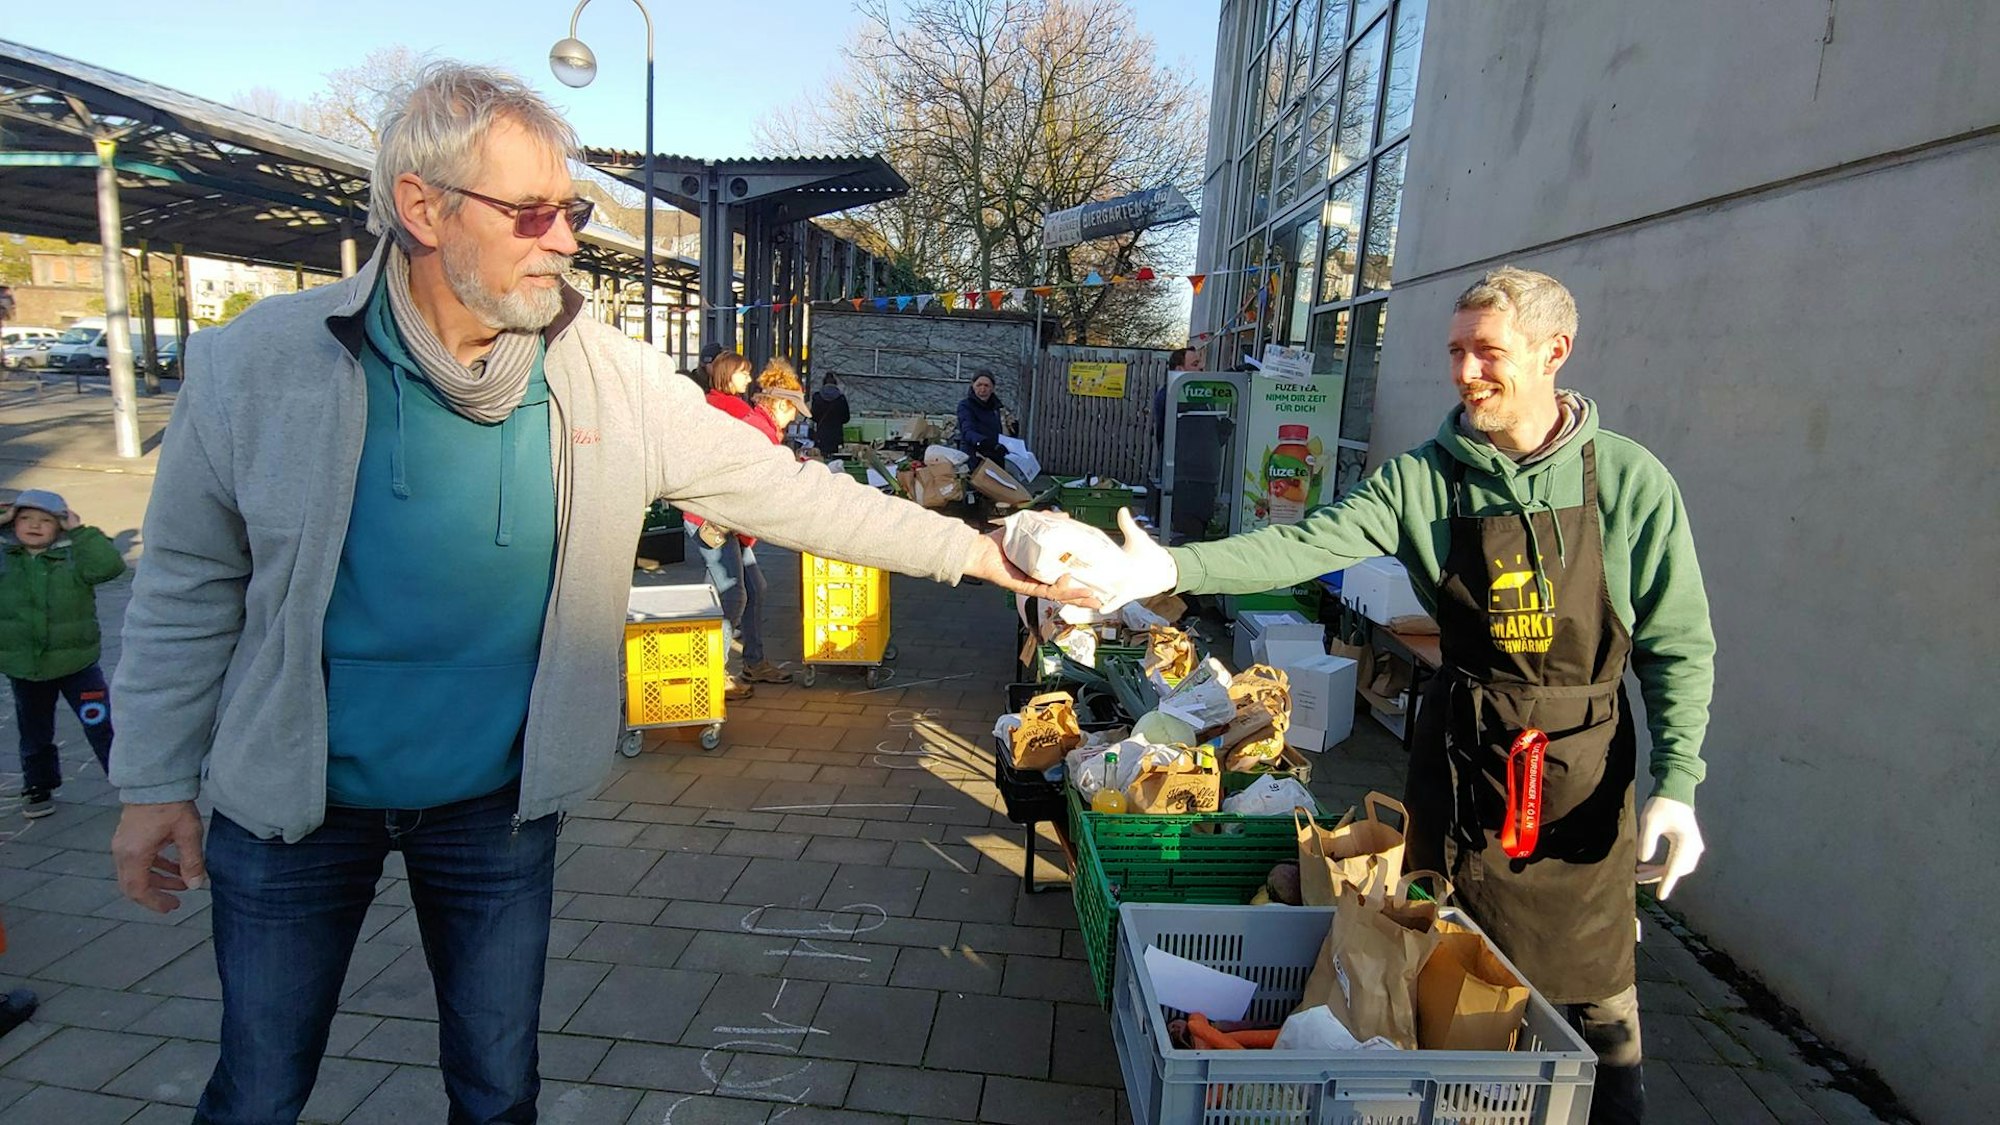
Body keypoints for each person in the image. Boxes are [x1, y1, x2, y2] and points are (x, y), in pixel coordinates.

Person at [106, 62, 1079, 1125]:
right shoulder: (259, 365)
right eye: (531, 212)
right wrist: (151, 781)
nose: (565, 237)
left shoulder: (604, 376)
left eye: (567, 209)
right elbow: (189, 587)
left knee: (497, 1093)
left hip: (494, 810)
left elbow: (791, 494)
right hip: (288, 809)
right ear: (421, 207)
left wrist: (984, 555)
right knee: (256, 1091)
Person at [1110, 267, 1713, 1124]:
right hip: (1461, 763)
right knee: (1441, 974)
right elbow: (1308, 544)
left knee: (1597, 1008)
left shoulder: (1628, 482)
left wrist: (1678, 783)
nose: (1465, 372)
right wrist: (1175, 566)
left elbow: (1678, 645)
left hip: (1580, 779)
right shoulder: (1428, 477)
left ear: (1555, 353)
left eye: (1488, 353)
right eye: (1456, 351)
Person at [1, 489, 126, 819]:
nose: (34, 526)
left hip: (78, 665)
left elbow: (110, 567)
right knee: (35, 732)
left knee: (99, 722)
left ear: (61, 526)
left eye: (45, 520)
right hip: (28, 669)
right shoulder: (5, 558)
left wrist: (81, 532)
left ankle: (128, 783)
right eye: (25, 519)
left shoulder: (74, 557)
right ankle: (38, 786)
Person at [685, 354, 797, 696]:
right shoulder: (741, 418)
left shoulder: (744, 415)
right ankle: (710, 675)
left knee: (749, 589)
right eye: (743, 374)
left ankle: (753, 661)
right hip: (712, 518)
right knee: (732, 596)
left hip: (724, 520)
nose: (795, 420)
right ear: (779, 405)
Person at [1152, 346, 1202, 454]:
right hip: (1177, 462)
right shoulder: (1166, 396)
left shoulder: (1203, 396)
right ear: (1179, 369)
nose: (1201, 368)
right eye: (1195, 364)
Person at [955, 369, 1009, 464]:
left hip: (995, 458)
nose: (983, 389)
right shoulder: (965, 406)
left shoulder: (997, 408)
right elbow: (968, 431)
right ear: (973, 386)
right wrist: (984, 442)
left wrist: (1012, 428)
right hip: (974, 458)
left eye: (986, 386)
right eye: (979, 385)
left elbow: (1003, 433)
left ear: (992, 388)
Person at [810, 372, 850, 456]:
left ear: (823, 383)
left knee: (821, 457)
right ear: (835, 384)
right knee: (836, 458)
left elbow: (813, 416)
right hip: (836, 434)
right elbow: (846, 418)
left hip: (822, 434)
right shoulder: (841, 399)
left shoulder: (817, 397)